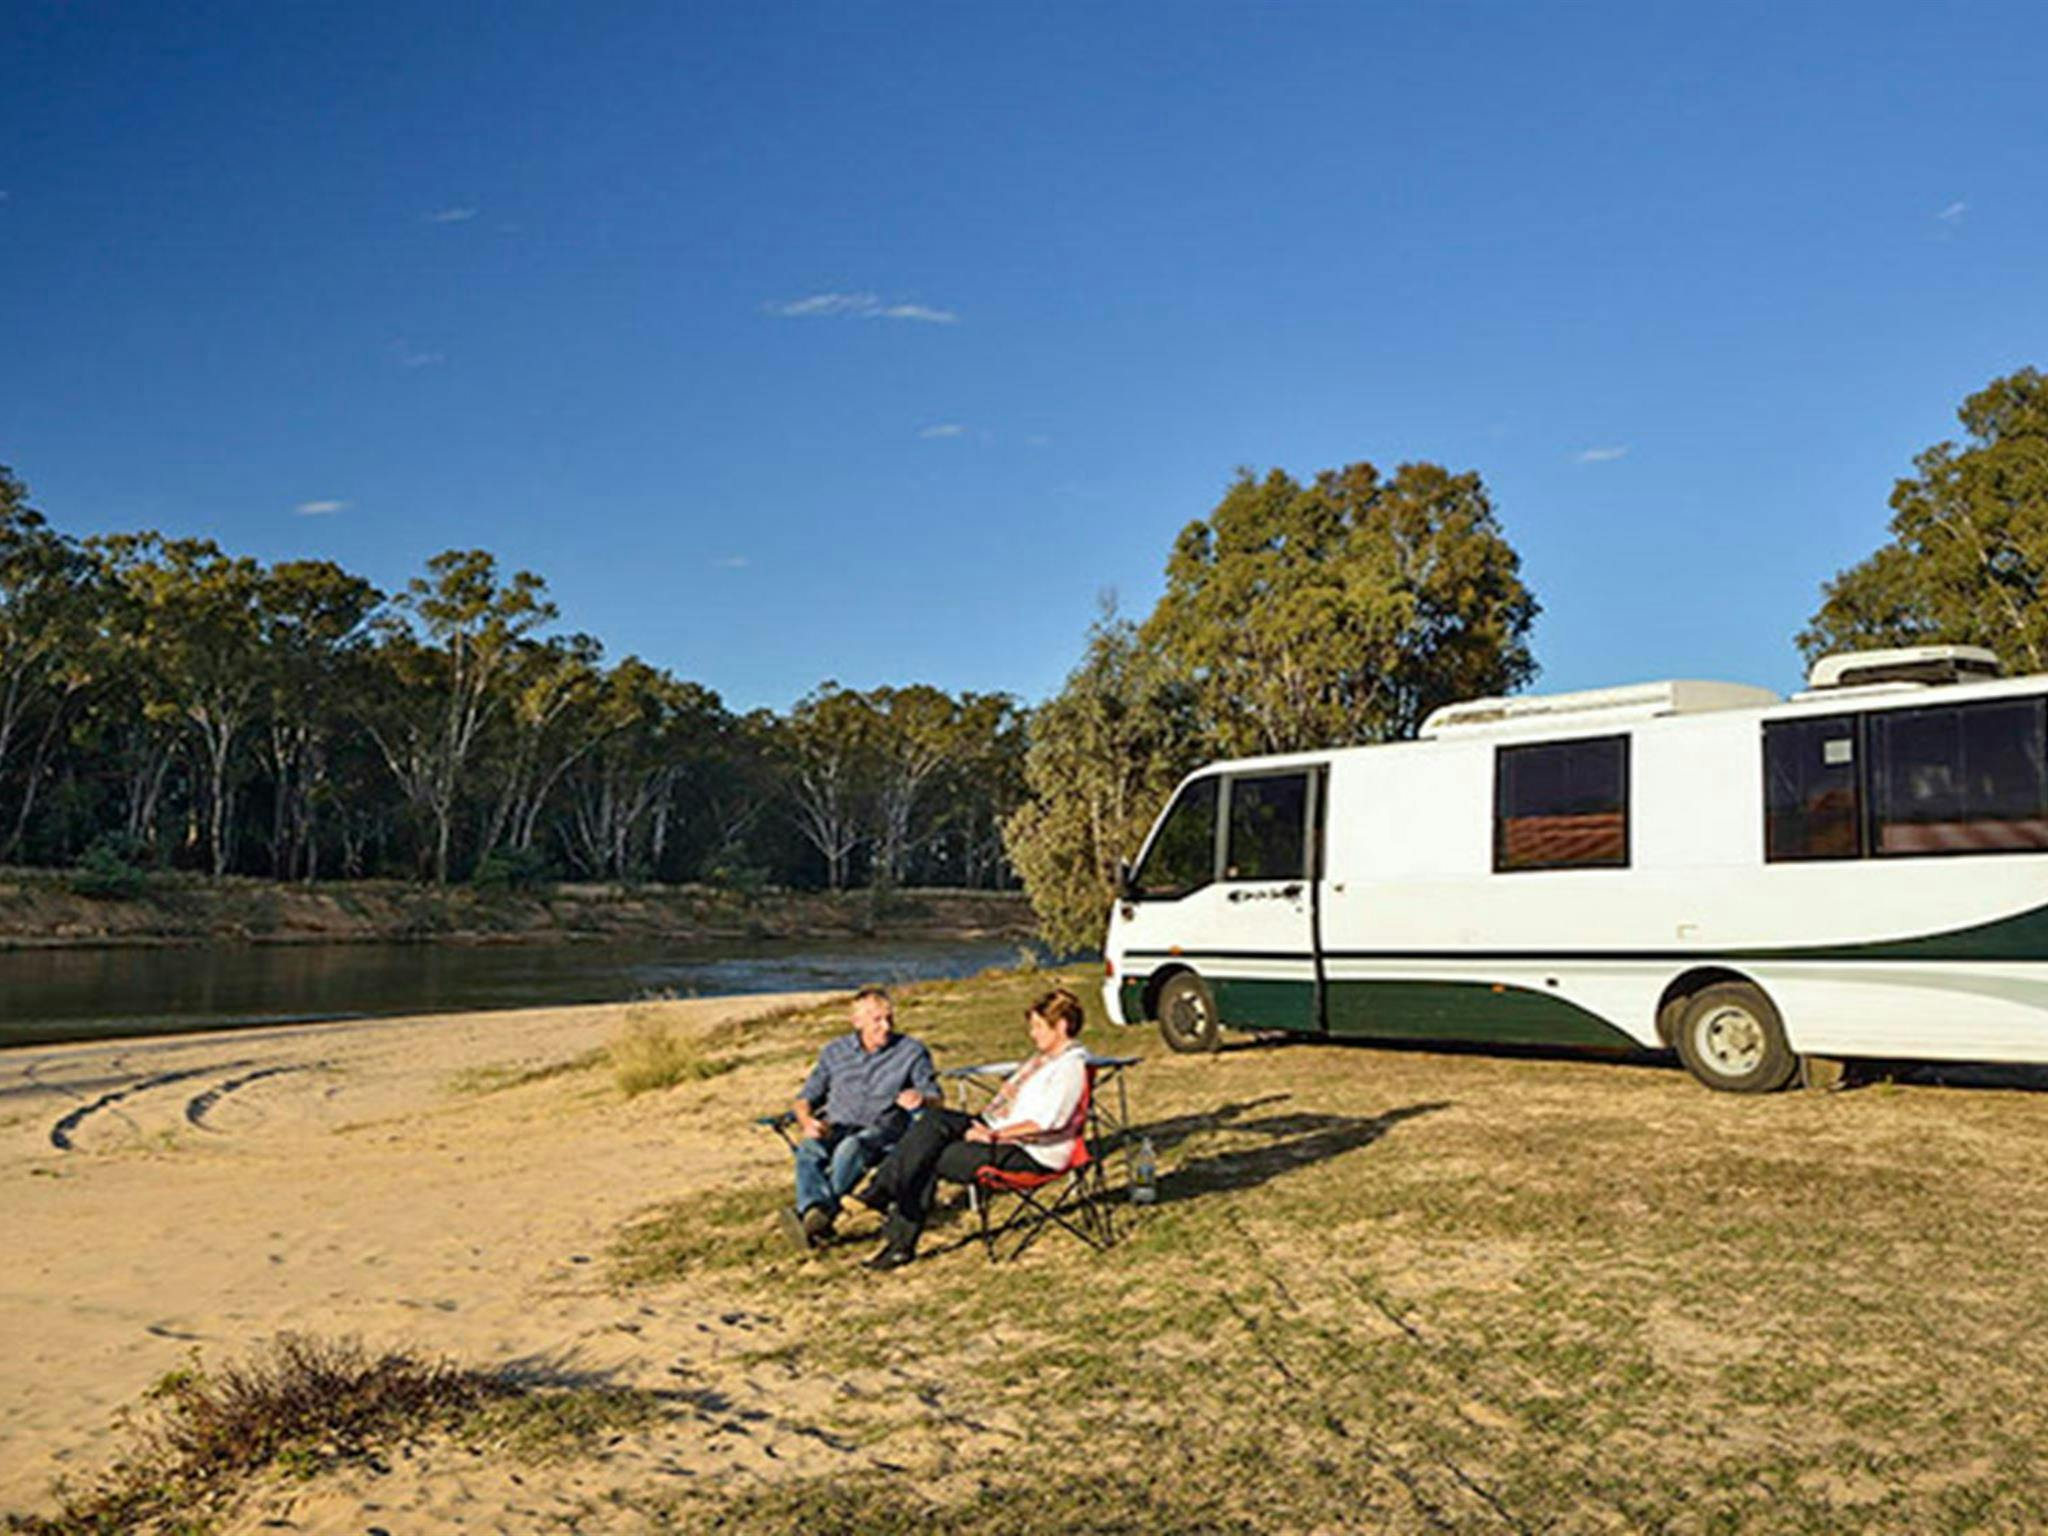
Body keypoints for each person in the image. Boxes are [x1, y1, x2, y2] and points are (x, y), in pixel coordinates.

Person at [855, 987, 1089, 1271]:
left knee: (926, 1154)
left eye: (1038, 1027)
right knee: (932, 1121)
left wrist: (994, 1136)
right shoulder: (1043, 1061)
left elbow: (1048, 1122)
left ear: (1061, 1026)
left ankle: (893, 1227)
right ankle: (883, 1196)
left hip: (1031, 1152)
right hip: (998, 1129)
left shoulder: (1070, 1067)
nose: (1033, 1034)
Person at [782, 986, 942, 1250]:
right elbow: (805, 1098)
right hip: (837, 1124)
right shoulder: (835, 1052)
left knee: (852, 1147)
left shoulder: (911, 1052)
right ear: (857, 1022)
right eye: (877, 1019)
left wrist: (921, 1100)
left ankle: (821, 1215)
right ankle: (815, 1211)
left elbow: (936, 1098)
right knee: (809, 1150)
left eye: (890, 1018)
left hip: (883, 1130)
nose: (886, 1026)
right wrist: (807, 1121)